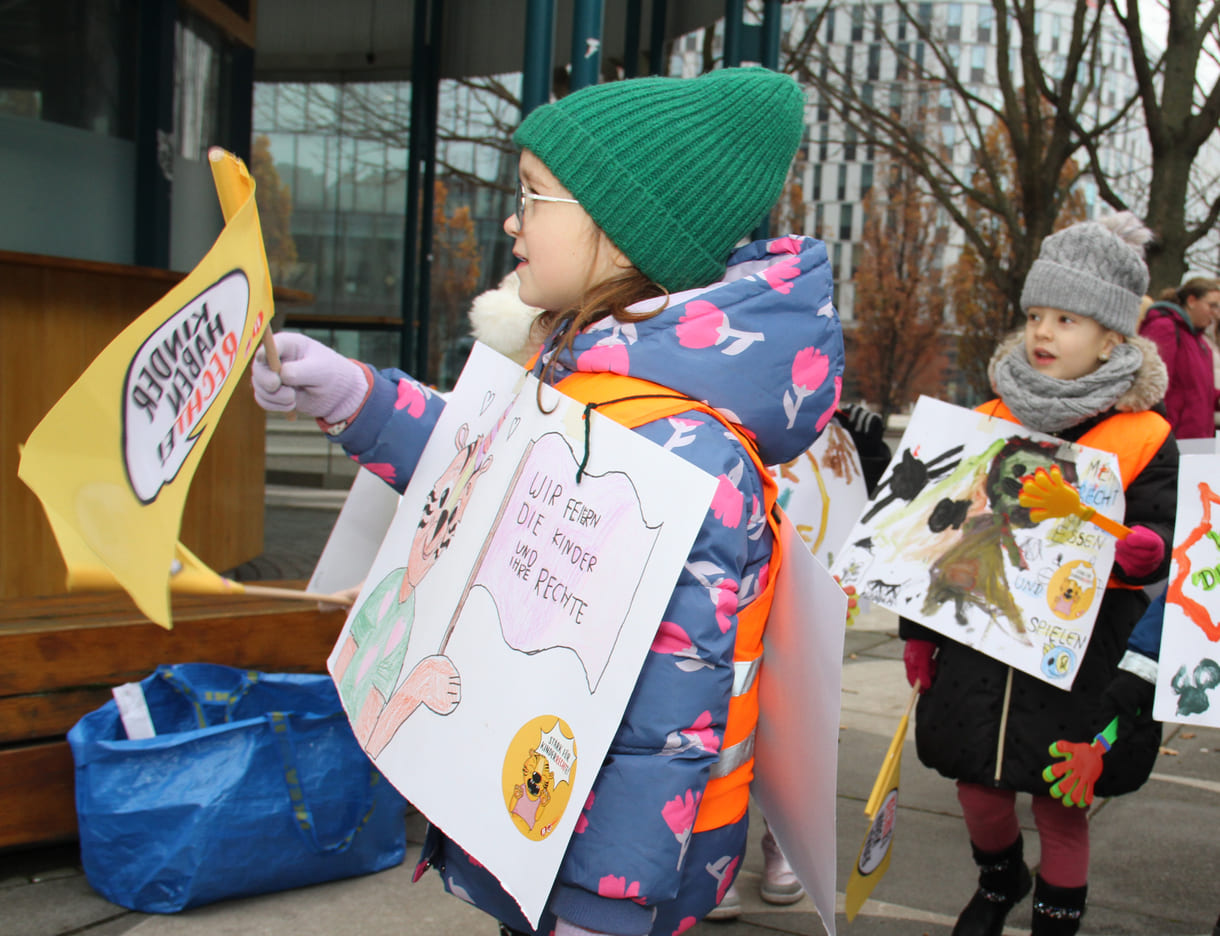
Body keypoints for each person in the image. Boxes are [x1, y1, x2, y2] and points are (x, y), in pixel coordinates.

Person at [251, 67, 845, 936]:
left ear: (621, 232)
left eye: (533, 194)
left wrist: (603, 908)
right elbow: (473, 467)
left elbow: (667, 716)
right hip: (541, 831)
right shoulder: (586, 377)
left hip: (595, 877)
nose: (511, 219)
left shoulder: (682, 448)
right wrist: (352, 395)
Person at [900, 212, 1178, 936]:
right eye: (1034, 316)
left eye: (1066, 319)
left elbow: (1164, 529)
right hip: (979, 643)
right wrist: (916, 633)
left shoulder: (1145, 435)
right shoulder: (987, 416)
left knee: (1061, 801)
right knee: (977, 789)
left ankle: (1056, 919)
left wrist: (1144, 548)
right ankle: (999, 880)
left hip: (1079, 658)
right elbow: (934, 535)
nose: (1042, 333)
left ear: (1112, 339)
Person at [1137, 275, 1220, 439]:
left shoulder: (1199, 341)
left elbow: (1199, 391)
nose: (1216, 314)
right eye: (1212, 305)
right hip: (1171, 437)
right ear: (1191, 301)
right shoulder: (1165, 328)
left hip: (1198, 439)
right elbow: (1149, 384)